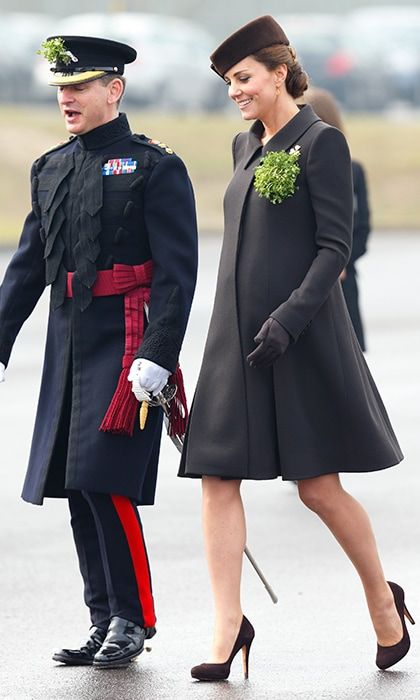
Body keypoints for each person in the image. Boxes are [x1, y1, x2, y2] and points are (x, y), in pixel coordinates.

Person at [178, 16, 413, 681]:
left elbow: (335, 247)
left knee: (317, 489)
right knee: (217, 477)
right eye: (229, 83)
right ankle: (228, 625)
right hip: (234, 340)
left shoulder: (322, 143)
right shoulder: (241, 146)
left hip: (298, 338)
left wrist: (290, 319)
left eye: (243, 78)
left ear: (280, 72)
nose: (236, 92)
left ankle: (381, 599)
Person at [0, 36, 198, 668]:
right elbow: (29, 266)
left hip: (128, 342)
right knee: (75, 485)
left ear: (114, 89)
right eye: (61, 88)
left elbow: (178, 273)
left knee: (105, 482)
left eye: (80, 86)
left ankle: (134, 620)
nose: (67, 98)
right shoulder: (51, 167)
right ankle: (101, 617)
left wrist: (159, 354)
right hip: (70, 342)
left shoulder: (154, 167)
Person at [304, 87, 370, 350]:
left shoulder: (353, 170)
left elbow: (362, 227)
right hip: (305, 279)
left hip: (342, 280)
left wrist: (340, 262)